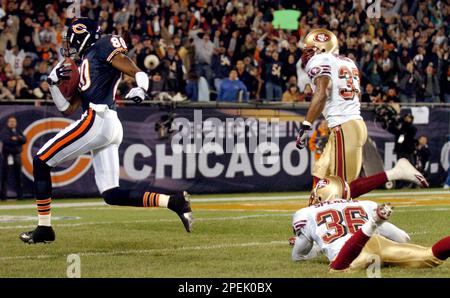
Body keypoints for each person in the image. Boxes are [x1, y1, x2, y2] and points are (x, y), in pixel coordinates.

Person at [19, 18, 193, 244]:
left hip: (97, 118)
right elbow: (66, 108)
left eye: (72, 38)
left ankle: (44, 229)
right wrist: (52, 85)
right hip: (107, 124)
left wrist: (141, 87)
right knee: (111, 194)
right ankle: (173, 201)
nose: (69, 44)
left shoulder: (102, 46)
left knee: (41, 160)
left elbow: (136, 70)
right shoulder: (84, 63)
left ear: (81, 36)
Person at [289, 159, 450, 272]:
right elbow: (403, 238)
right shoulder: (364, 205)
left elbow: (298, 257)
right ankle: (373, 224)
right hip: (377, 242)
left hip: (349, 254)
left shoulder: (306, 213)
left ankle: (372, 224)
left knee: (337, 270)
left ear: (320, 196)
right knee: (429, 256)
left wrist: (317, 247)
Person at [296, 29, 367, 185]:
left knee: (343, 188)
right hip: (351, 124)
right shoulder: (348, 62)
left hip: (343, 127)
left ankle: (394, 174)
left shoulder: (320, 59)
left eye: (311, 49)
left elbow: (322, 93)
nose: (307, 54)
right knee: (320, 177)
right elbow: (357, 95)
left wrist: (306, 126)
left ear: (323, 48)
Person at [0, 116, 26, 200]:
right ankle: (3, 196)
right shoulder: (5, 131)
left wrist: (17, 138)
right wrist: (17, 141)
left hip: (17, 155)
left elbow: (24, 140)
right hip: (7, 156)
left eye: (14, 121)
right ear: (8, 123)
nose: (12, 123)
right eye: (11, 121)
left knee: (18, 176)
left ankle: (20, 196)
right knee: (4, 176)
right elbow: (6, 140)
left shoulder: (18, 130)